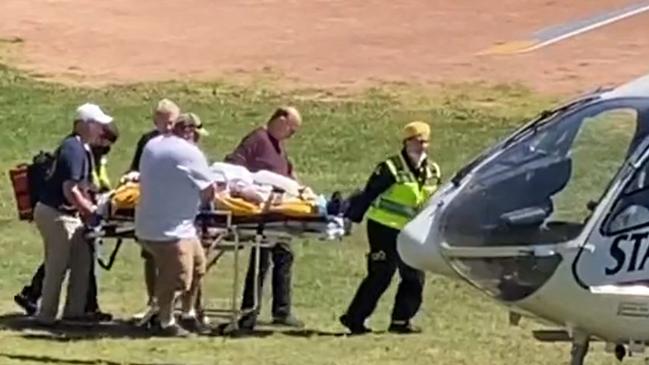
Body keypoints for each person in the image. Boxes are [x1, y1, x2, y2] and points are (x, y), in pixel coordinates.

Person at [339, 121, 441, 335]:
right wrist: (350, 219)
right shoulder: (390, 168)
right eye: (417, 141)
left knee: (414, 275)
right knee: (381, 274)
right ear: (406, 142)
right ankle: (355, 319)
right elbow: (368, 194)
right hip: (384, 227)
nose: (421, 146)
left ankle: (401, 320)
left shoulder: (433, 170)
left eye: (425, 141)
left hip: (412, 230)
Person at [14, 123, 119, 321]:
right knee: (58, 264)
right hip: (57, 212)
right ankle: (46, 314)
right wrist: (90, 210)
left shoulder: (86, 151)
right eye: (104, 137)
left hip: (71, 214)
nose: (106, 144)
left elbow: (91, 183)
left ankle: (76, 311)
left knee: (82, 259)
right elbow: (70, 189)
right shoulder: (74, 149)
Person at [135, 117, 216, 337]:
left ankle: (188, 314)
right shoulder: (190, 154)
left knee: (199, 266)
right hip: (170, 228)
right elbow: (209, 191)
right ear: (190, 132)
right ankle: (164, 320)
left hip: (160, 223)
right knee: (178, 276)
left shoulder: (152, 144)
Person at [225, 106, 304, 330]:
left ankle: (282, 310)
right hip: (261, 211)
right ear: (280, 120)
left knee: (284, 256)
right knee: (261, 260)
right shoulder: (257, 139)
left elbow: (288, 172)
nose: (292, 135)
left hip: (280, 210)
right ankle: (249, 312)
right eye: (292, 129)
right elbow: (233, 164)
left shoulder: (278, 146)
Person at [129, 99, 180, 317]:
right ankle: (153, 302)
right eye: (164, 122)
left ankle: (178, 305)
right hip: (151, 207)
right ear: (155, 121)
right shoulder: (147, 142)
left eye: (172, 123)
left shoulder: (180, 142)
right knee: (150, 256)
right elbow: (135, 169)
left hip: (175, 208)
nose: (168, 127)